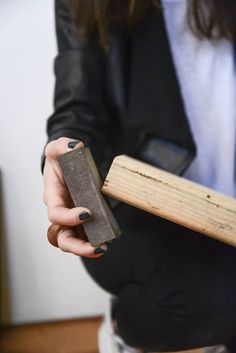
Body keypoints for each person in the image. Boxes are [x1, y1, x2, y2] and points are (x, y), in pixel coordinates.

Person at [43, 0, 236, 352]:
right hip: (139, 208)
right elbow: (78, 106)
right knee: (211, 300)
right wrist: (66, 153)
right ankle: (124, 326)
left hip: (229, 207)